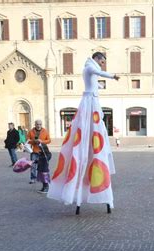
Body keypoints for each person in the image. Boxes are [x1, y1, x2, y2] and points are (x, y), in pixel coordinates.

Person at [47, 52, 120, 211]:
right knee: (86, 134)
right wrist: (113, 76)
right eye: (101, 60)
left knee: (95, 134)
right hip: (89, 102)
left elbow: (95, 79)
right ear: (96, 58)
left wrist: (99, 86)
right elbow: (98, 73)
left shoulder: (91, 68)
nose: (102, 63)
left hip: (92, 101)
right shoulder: (89, 66)